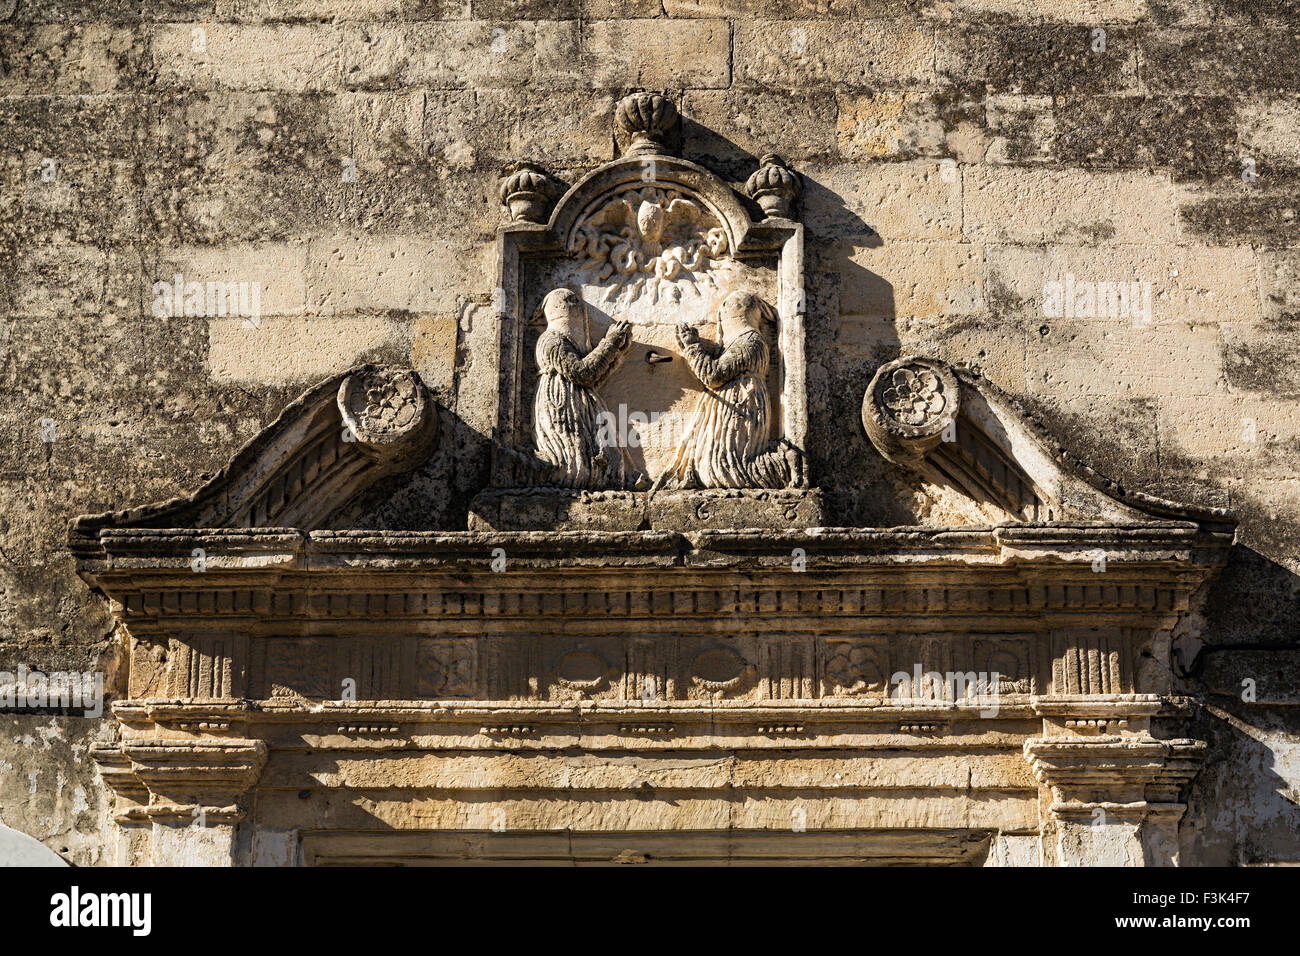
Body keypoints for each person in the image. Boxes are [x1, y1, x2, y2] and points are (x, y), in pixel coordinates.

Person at [660, 290, 804, 489]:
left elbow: (713, 375)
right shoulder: (742, 341)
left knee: (726, 472)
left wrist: (691, 345)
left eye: (727, 310)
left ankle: (783, 464)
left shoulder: (750, 341)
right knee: (714, 470)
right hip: (735, 405)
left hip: (741, 406)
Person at [532, 288, 634, 489]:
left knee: (603, 453)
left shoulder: (559, 340)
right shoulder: (552, 340)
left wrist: (617, 352)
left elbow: (592, 379)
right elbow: (582, 373)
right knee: (573, 461)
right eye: (573, 304)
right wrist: (610, 343)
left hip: (575, 401)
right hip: (562, 404)